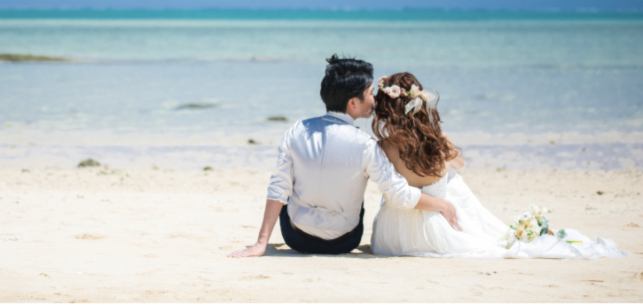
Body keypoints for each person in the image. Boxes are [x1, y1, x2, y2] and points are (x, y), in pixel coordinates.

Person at [370, 72, 627, 259]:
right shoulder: (438, 142)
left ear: (386, 110)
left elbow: (395, 191)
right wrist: (435, 139)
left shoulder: (383, 147)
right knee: (451, 179)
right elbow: (459, 163)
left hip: (391, 236)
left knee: (445, 180)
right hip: (435, 230)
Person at [228, 55, 460, 257]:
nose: (375, 100)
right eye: (371, 94)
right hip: (344, 241)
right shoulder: (367, 145)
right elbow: (397, 193)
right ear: (352, 103)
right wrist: (443, 205)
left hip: (296, 237)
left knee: (287, 185)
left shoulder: (296, 130)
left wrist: (261, 243)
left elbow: (278, 188)